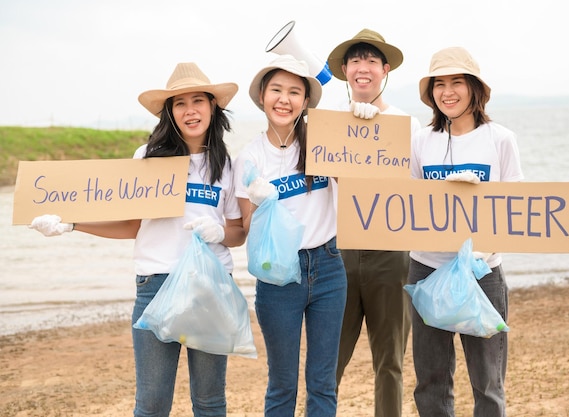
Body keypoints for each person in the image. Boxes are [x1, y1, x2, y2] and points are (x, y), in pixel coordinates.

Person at [29, 62, 245, 417]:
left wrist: (220, 232)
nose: (190, 110)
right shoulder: (147, 159)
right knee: (152, 404)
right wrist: (71, 224)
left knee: (209, 402)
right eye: (179, 103)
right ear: (170, 113)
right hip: (155, 285)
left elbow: (238, 233)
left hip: (211, 286)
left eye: (198, 101)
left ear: (213, 106)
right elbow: (132, 226)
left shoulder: (228, 166)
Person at [408, 46, 524, 416]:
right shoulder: (421, 140)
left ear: (474, 88)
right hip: (427, 268)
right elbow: (406, 202)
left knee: (488, 380)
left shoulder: (500, 139)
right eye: (439, 84)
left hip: (482, 271)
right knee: (431, 379)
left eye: (457, 82)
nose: (448, 92)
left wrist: (484, 250)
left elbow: (516, 207)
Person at [233, 54, 347, 417]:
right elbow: (248, 231)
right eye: (276, 90)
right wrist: (263, 207)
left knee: (323, 383)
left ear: (306, 101)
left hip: (329, 267)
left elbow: (359, 178)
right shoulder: (248, 158)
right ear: (263, 96)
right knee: (282, 384)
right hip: (277, 276)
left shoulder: (322, 143)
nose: (284, 99)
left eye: (294, 92)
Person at [325, 28, 420, 417]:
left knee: (391, 362)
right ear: (345, 70)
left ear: (384, 70)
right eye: (355, 60)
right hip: (339, 253)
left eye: (371, 60)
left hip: (392, 254)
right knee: (327, 362)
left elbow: (421, 187)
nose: (363, 68)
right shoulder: (328, 124)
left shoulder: (407, 124)